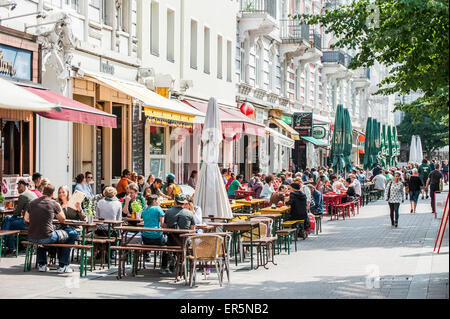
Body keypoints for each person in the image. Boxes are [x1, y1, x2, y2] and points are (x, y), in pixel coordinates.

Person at [24, 184, 78, 273]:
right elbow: (63, 219)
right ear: (52, 194)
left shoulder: (32, 203)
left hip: (31, 236)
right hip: (47, 236)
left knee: (41, 240)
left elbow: (26, 218)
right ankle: (63, 265)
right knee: (69, 235)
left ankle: (42, 265)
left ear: (42, 192)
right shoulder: (54, 203)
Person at [1, 179, 37, 254]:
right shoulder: (33, 194)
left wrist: (13, 214)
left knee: (8, 220)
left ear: (21, 185)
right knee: (9, 223)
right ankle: (8, 246)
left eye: (18, 186)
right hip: (35, 223)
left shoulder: (23, 196)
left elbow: (16, 213)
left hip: (27, 223)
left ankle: (5, 243)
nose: (17, 188)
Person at [163, 193, 196, 274]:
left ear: (175, 201)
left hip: (170, 242)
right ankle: (182, 263)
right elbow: (193, 230)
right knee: (189, 243)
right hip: (184, 243)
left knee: (164, 242)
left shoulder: (168, 212)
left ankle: (165, 266)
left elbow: (164, 228)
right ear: (184, 203)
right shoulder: (189, 213)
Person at [141, 194, 168, 271]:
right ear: (155, 201)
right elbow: (162, 224)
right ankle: (164, 266)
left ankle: (147, 255)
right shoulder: (158, 209)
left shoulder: (144, 210)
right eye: (158, 200)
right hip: (157, 238)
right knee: (168, 244)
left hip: (145, 238)